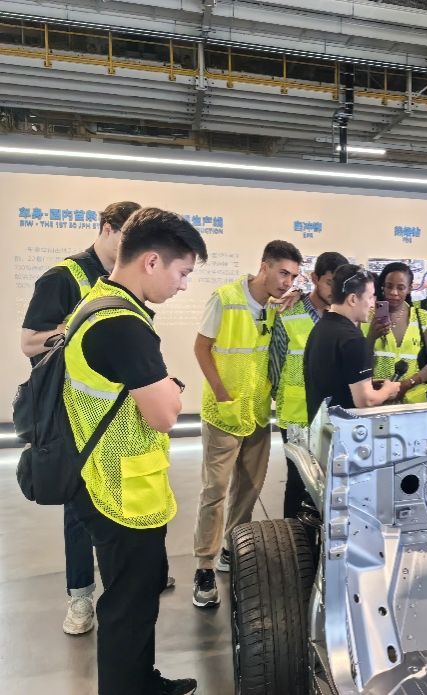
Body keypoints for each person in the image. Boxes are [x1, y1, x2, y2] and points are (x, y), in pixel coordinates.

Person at [65, 207, 207, 695]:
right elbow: (165, 415)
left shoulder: (99, 303)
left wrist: (163, 386)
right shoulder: (122, 325)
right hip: (119, 490)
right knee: (128, 604)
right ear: (151, 261)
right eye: (182, 272)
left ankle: (141, 681)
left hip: (115, 478)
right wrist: (170, 391)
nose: (183, 285)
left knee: (140, 595)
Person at [21, 200, 145, 636]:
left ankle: (128, 578)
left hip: (120, 416)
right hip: (73, 417)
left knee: (124, 499)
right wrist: (76, 327)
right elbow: (29, 342)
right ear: (107, 228)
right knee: (79, 506)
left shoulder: (128, 281)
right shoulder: (64, 277)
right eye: (128, 236)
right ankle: (80, 595)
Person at [192, 240, 302, 608]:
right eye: (283, 273)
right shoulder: (225, 299)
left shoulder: (276, 307)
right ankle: (204, 566)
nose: (287, 282)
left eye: (293, 277)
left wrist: (296, 296)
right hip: (224, 413)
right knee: (214, 491)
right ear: (264, 266)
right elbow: (201, 347)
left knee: (249, 489)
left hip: (256, 413)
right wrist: (221, 393)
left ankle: (231, 547)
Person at [270, 251, 348, 520]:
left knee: (331, 479)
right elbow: (275, 366)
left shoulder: (343, 316)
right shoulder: (288, 312)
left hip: (333, 415)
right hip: (296, 414)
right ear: (314, 278)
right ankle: (293, 538)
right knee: (297, 479)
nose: (334, 290)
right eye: (329, 282)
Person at [305, 264, 401, 422]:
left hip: (320, 427)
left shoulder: (320, 328)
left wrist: (365, 383)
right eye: (370, 297)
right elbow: (366, 401)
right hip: (343, 430)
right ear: (353, 299)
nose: (373, 304)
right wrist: (388, 390)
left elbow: (332, 379)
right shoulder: (353, 339)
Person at [366, 262, 427, 404]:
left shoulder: (422, 318)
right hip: (377, 397)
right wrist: (371, 336)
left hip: (412, 400)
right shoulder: (367, 317)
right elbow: (357, 359)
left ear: (409, 288)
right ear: (382, 286)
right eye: (389, 286)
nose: (394, 292)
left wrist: (408, 383)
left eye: (400, 287)